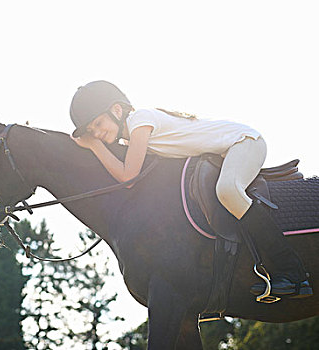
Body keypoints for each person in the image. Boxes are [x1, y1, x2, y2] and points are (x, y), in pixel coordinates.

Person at [69, 80, 312, 299]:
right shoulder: (131, 138)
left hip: (244, 142)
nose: (97, 133)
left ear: (117, 110)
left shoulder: (139, 120)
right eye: (91, 132)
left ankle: (292, 272)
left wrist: (94, 147)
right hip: (227, 152)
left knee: (228, 191)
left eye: (98, 124)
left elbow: (128, 177)